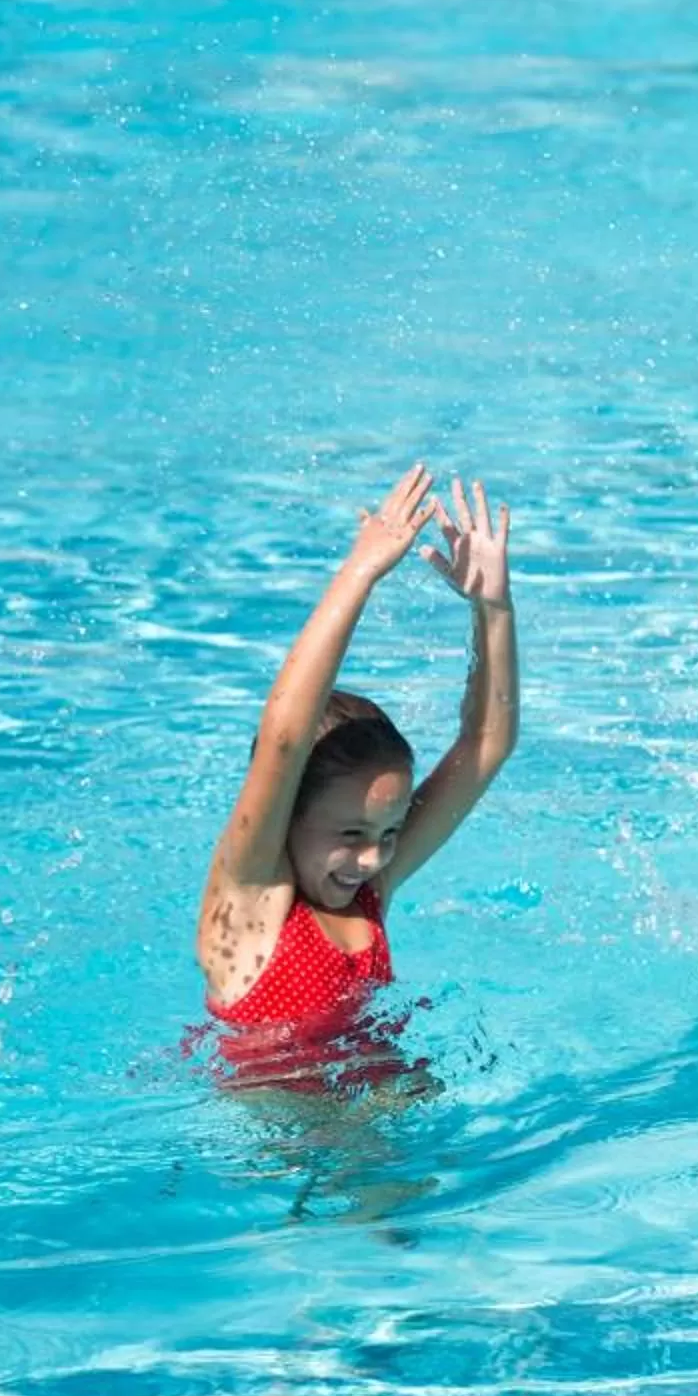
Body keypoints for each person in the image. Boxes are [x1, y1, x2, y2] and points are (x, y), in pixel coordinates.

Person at [199, 465, 520, 1086]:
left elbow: (487, 745)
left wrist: (493, 609)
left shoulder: (368, 894)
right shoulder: (250, 902)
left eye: (392, 831)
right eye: (350, 834)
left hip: (376, 1134)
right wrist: (360, 573)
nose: (373, 857)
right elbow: (284, 735)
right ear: (288, 813)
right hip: (286, 1155)